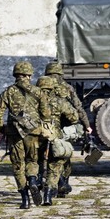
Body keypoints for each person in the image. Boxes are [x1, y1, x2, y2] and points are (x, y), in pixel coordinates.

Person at [0, 61, 49, 209]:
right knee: (32, 161)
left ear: (15, 75)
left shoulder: (8, 92)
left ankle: (25, 200)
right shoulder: (38, 92)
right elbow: (46, 115)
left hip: (15, 134)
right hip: (34, 134)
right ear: (29, 75)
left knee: (18, 165)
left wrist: (3, 129)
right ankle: (33, 181)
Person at [44, 62, 91, 197]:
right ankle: (62, 185)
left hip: (42, 127)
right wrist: (87, 125)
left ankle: (51, 184)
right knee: (63, 155)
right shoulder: (67, 87)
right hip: (63, 127)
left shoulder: (40, 86)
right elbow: (78, 108)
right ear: (60, 73)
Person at [36, 76, 80, 206]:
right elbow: (74, 117)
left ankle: (37, 182)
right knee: (55, 166)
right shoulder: (59, 101)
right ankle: (48, 195)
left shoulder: (32, 101)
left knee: (35, 162)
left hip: (36, 136)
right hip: (54, 136)